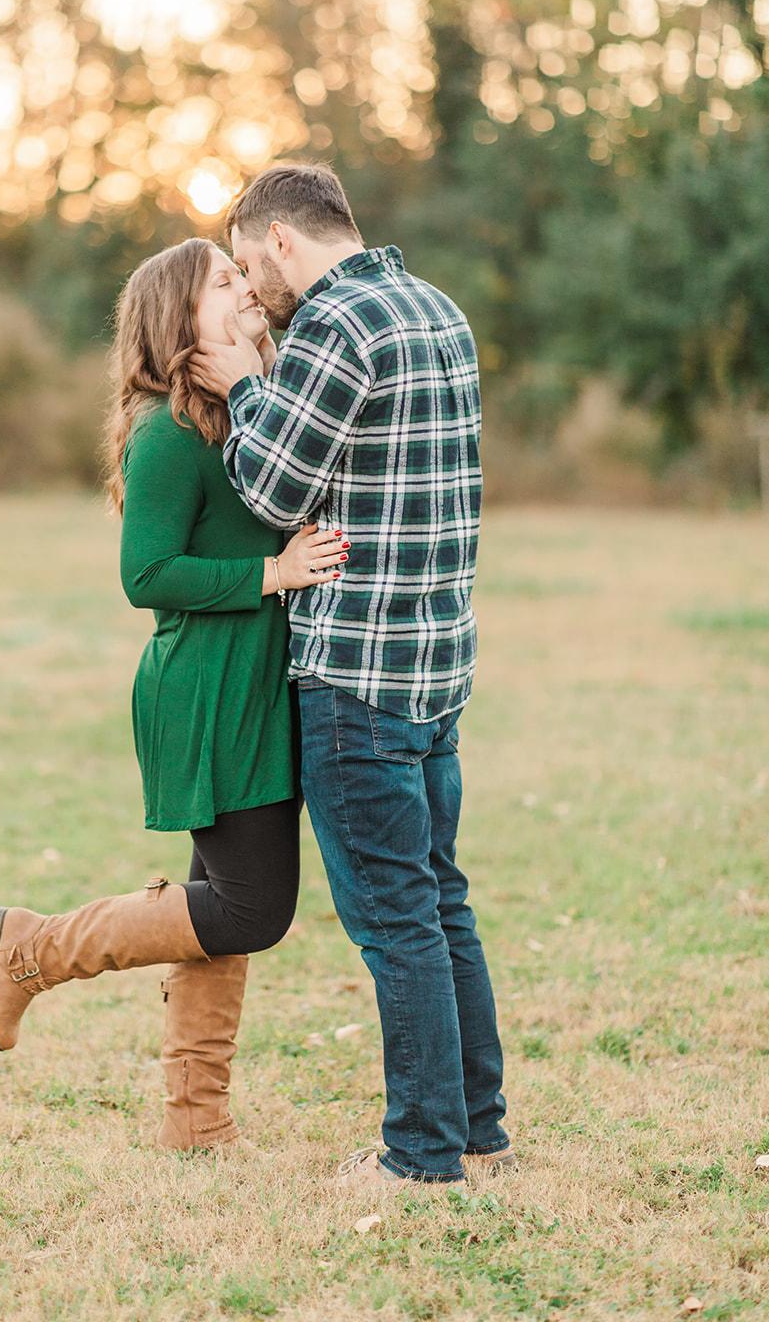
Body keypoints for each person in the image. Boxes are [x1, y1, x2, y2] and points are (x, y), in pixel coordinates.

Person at [0, 236, 347, 1153]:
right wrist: (273, 573)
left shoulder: (234, 413)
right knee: (252, 909)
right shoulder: (168, 431)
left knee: (215, 906)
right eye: (224, 281)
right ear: (177, 316)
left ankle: (196, 1122)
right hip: (207, 692)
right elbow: (145, 573)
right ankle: (34, 948)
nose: (245, 287)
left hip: (255, 685)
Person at [190, 161, 514, 1192]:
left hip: (357, 677)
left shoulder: (334, 325)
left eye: (248, 264)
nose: (251, 287)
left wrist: (241, 383)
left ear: (281, 241)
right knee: (440, 902)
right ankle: (476, 1129)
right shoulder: (434, 309)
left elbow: (272, 487)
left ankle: (419, 1154)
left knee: (395, 921)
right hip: (435, 666)